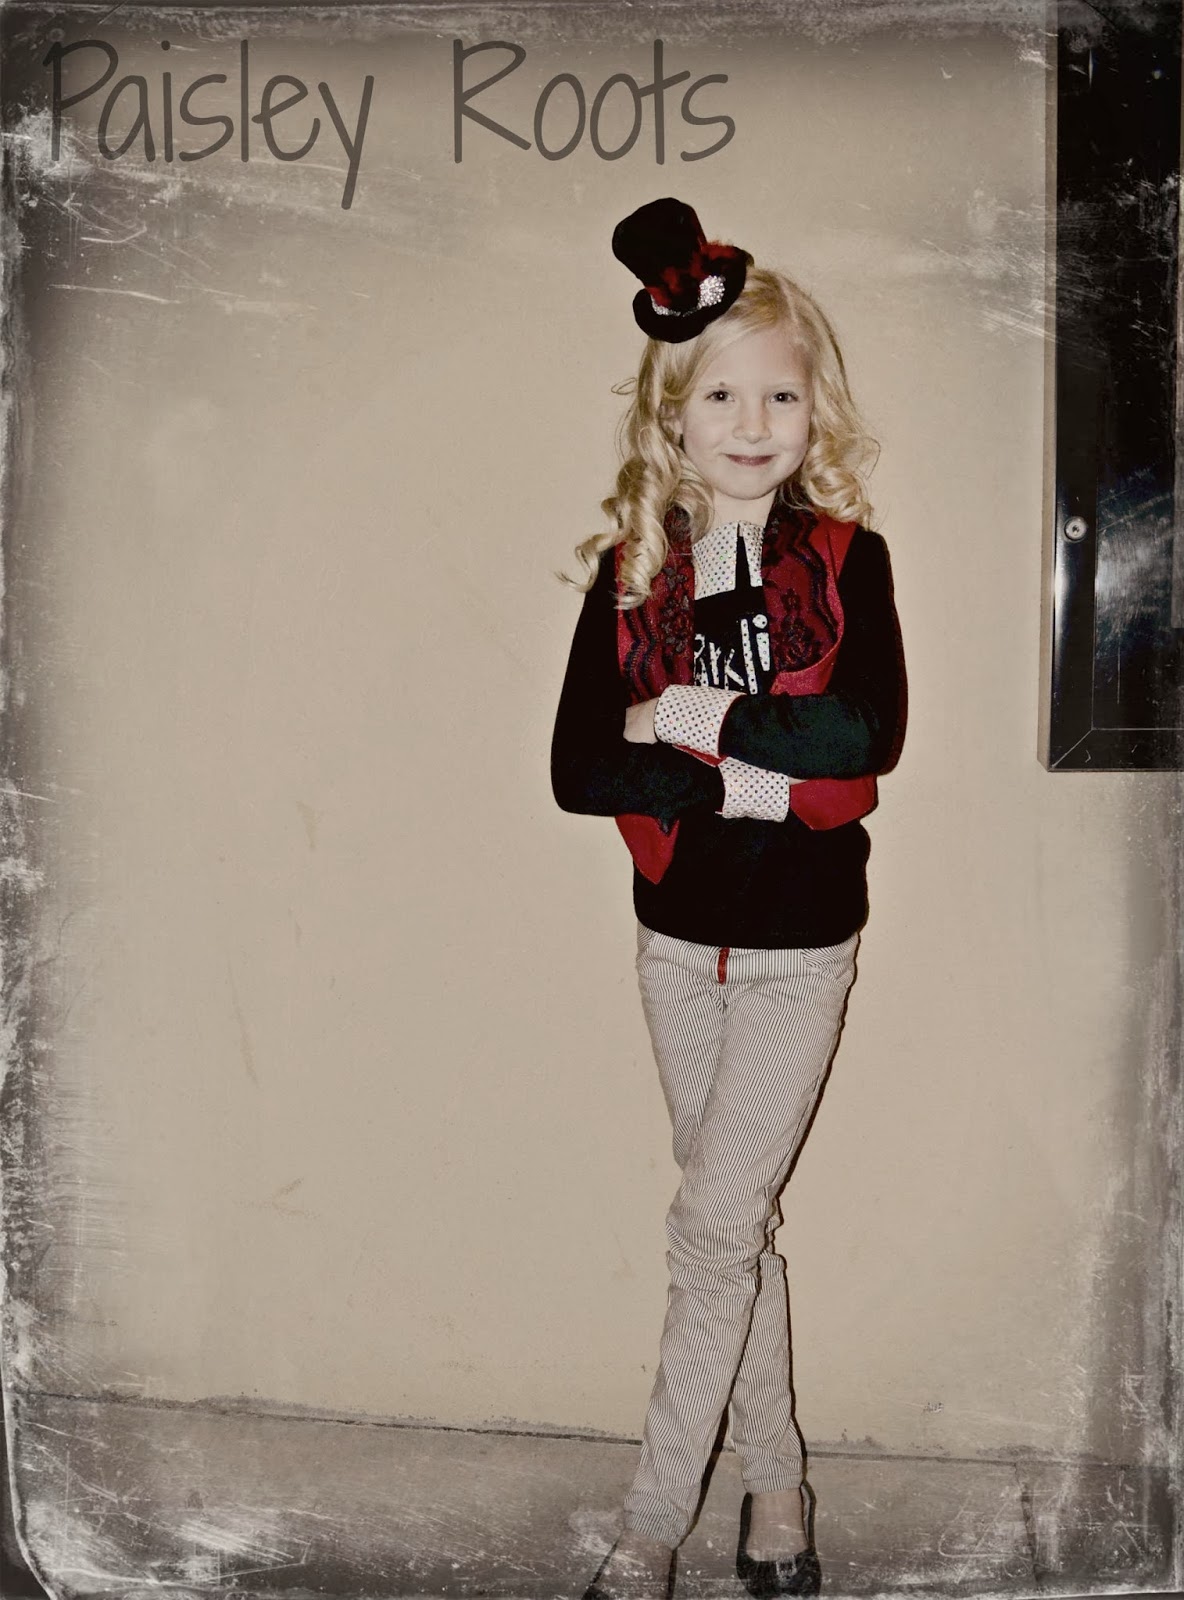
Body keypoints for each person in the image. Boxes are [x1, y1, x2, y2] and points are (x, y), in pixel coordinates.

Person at [550, 197, 904, 1600]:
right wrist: (759, 766)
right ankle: (779, 1485)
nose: (753, 423)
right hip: (672, 943)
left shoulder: (851, 560)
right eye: (721, 395)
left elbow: (861, 739)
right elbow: (580, 769)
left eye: (781, 395)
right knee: (730, 1226)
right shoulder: (629, 573)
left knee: (708, 1234)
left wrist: (685, 720)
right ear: (672, 412)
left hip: (802, 951)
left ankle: (648, 1530)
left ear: (817, 410)